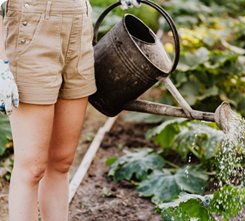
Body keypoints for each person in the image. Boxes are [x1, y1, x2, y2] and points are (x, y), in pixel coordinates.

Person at [0, 0, 140, 220]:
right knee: (32, 167)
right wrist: (1, 63)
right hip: (31, 27)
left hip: (79, 23)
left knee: (62, 161)